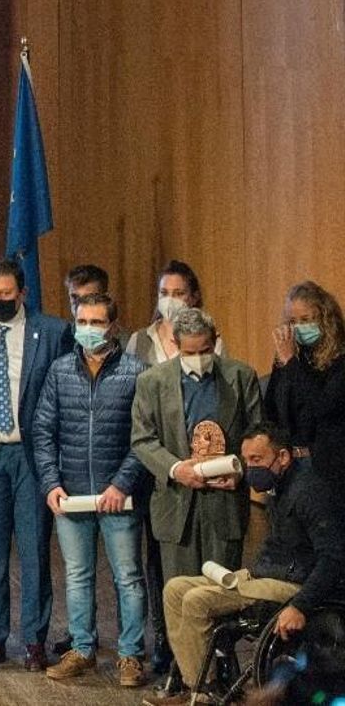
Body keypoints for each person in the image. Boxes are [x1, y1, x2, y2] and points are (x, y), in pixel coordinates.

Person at [144, 424, 344, 706]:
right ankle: (199, 691)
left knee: (197, 600)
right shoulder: (279, 486)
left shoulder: (309, 492)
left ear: (283, 457)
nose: (250, 468)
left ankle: (203, 693)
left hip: (293, 583)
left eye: (257, 460)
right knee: (175, 589)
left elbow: (334, 557)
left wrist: (301, 605)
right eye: (246, 459)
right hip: (267, 573)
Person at [131, 306, 263, 695]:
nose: (200, 357)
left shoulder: (240, 376)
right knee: (180, 594)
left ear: (215, 340)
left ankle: (224, 669)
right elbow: (142, 440)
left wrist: (238, 468)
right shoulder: (152, 382)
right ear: (176, 345)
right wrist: (175, 469)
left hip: (223, 504)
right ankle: (186, 673)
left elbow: (258, 434)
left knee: (222, 591)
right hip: (177, 504)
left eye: (206, 349)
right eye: (191, 351)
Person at [0, 257, 71, 671]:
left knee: (36, 547)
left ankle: (35, 639)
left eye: (6, 295)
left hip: (30, 453)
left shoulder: (53, 331)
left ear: (23, 293)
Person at [31, 292, 149, 688]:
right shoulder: (60, 370)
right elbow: (43, 432)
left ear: (113, 327)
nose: (89, 329)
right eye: (83, 322)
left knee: (128, 578)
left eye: (98, 322)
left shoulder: (136, 372)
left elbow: (145, 437)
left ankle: (130, 655)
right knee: (78, 577)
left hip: (120, 497)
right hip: (72, 495)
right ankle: (82, 648)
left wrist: (122, 482)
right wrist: (51, 482)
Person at [124, 258, 223, 680]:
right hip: (153, 469)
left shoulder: (212, 343)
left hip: (201, 474)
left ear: (194, 296)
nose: (170, 301)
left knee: (198, 565)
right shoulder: (139, 342)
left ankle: (205, 658)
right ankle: (164, 647)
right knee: (156, 563)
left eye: (178, 293)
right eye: (164, 293)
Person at [266, 281, 345, 461]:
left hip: (327, 461)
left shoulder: (339, 360)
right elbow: (270, 407)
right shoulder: (289, 357)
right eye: (292, 321)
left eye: (306, 319)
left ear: (324, 319)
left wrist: (291, 363)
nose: (298, 327)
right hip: (289, 459)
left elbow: (323, 407)